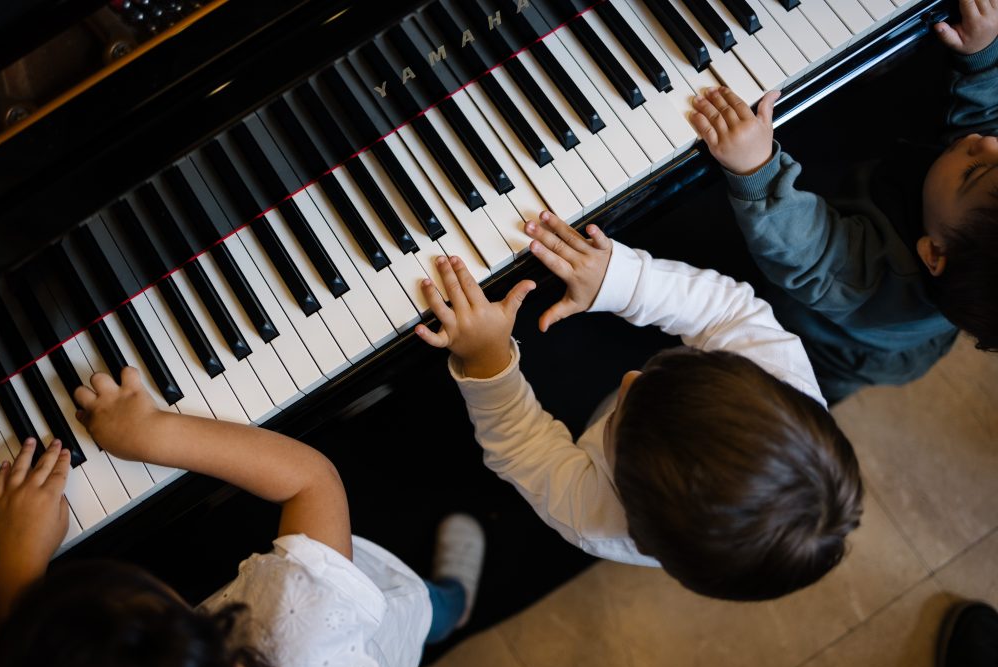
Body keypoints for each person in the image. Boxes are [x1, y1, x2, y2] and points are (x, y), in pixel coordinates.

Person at [413, 212, 863, 601]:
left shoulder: (592, 519)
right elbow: (728, 312)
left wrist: (487, 361)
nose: (629, 376)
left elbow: (523, 448)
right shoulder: (783, 384)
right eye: (653, 375)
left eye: (619, 420)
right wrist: (622, 282)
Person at [0, 369, 485, 667]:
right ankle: (455, 603)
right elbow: (312, 482)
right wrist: (153, 433)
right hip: (377, 628)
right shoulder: (302, 634)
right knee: (421, 609)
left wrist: (18, 572)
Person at [687, 0, 998, 402]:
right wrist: (983, 57)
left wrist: (756, 169)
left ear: (934, 252)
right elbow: (986, 130)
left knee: (793, 381)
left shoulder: (865, 276)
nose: (987, 144)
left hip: (837, 345)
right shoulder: (968, 202)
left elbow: (808, 253)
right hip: (917, 288)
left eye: (974, 173)